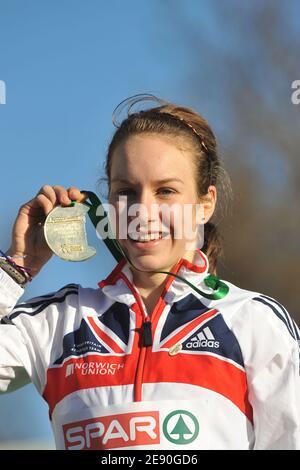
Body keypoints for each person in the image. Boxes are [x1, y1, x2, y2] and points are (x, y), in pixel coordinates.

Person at [0, 94, 299, 450]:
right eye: (126, 191)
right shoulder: (58, 322)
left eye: (166, 191)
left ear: (205, 204)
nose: (143, 211)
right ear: (108, 202)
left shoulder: (252, 321)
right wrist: (17, 266)